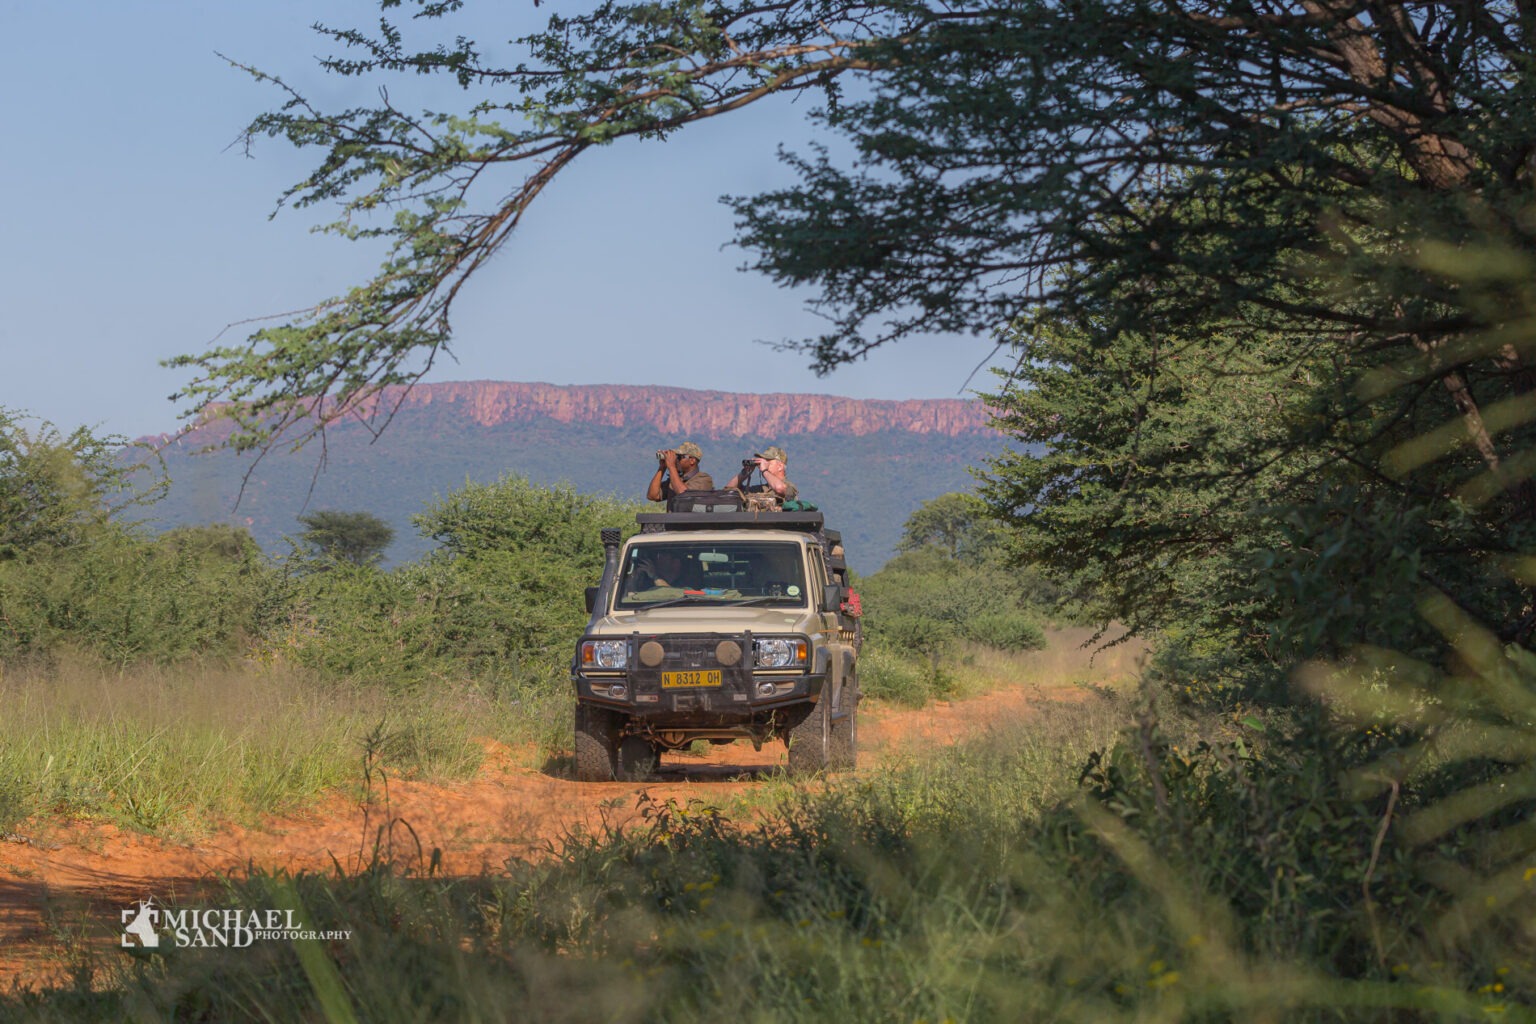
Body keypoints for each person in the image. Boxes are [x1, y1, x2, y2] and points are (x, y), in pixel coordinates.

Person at [647, 442, 715, 503]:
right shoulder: (675, 479)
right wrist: (662, 468)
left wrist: (671, 467)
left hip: (691, 517)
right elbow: (652, 496)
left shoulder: (704, 479)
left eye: (679, 457)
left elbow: (684, 495)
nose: (676, 460)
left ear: (692, 461)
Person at [726, 445, 798, 502]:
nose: (763, 464)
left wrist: (764, 470)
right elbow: (728, 490)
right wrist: (744, 473)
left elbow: (779, 488)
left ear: (780, 466)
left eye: (767, 461)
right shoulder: (762, 489)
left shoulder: (789, 486)